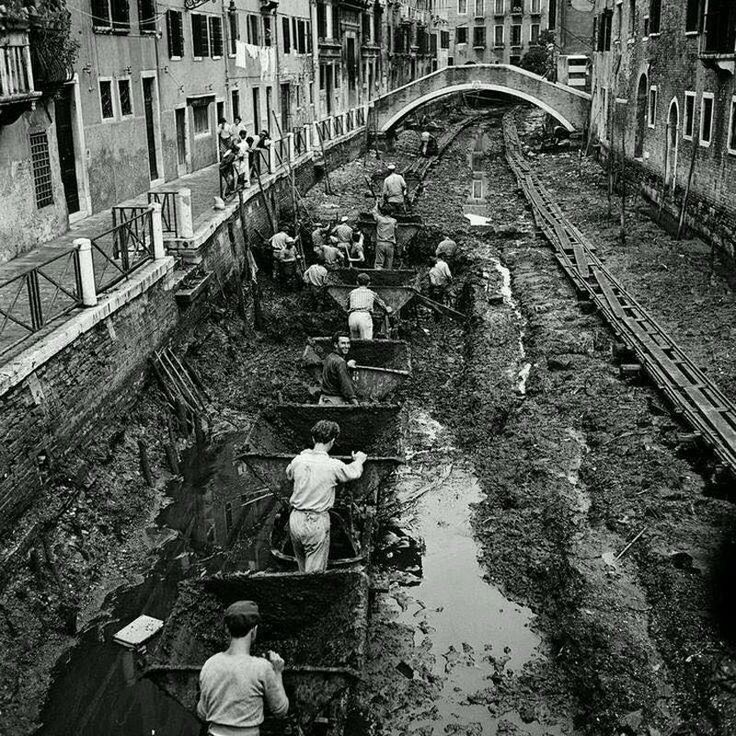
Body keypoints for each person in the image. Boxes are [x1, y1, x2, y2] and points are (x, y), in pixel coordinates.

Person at [197, 600, 289, 735]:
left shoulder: (210, 664)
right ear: (254, 630)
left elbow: (203, 714)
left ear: (227, 629)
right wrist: (277, 672)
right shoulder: (262, 667)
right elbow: (281, 711)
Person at [286, 420, 366, 572]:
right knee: (314, 575)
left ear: (313, 439)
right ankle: (311, 594)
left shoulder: (298, 460)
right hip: (315, 522)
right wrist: (359, 460)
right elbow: (354, 473)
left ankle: (301, 591)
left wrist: (305, 455)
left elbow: (289, 474)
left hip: (295, 519)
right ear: (332, 441)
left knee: (302, 569)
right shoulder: (333, 465)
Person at [348, 273, 393, 340]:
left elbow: (346, 303)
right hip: (364, 316)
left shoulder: (352, 292)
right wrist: (387, 309)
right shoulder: (371, 293)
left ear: (357, 283)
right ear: (369, 283)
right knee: (366, 342)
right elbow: (382, 304)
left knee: (354, 342)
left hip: (352, 317)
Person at [319, 332, 359, 406]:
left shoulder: (329, 357)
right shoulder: (340, 362)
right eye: (343, 343)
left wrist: (346, 366)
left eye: (348, 343)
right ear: (335, 345)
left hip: (323, 400)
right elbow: (347, 388)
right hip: (335, 402)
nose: (346, 346)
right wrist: (356, 404)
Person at [372, 201, 397, 270]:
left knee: (379, 263)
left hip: (380, 243)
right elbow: (396, 229)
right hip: (390, 244)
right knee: (389, 264)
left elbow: (374, 212)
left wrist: (376, 204)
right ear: (391, 212)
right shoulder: (394, 221)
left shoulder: (380, 219)